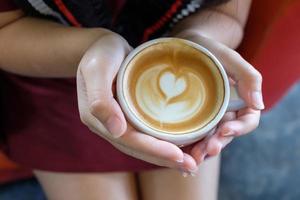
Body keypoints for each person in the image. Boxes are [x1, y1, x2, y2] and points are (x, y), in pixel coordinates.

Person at [0, 0, 263, 199]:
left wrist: (196, 42)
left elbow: (226, 13)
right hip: (51, 78)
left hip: (191, 88)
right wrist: (91, 48)